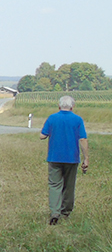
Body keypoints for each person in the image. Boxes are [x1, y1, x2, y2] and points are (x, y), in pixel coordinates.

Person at [40, 95, 89, 225]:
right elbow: (83, 139)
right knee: (69, 186)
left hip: (54, 157)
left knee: (55, 185)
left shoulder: (52, 118)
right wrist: (86, 158)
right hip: (71, 158)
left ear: (59, 106)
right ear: (72, 107)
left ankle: (54, 213)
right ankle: (65, 212)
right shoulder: (78, 120)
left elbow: (42, 136)